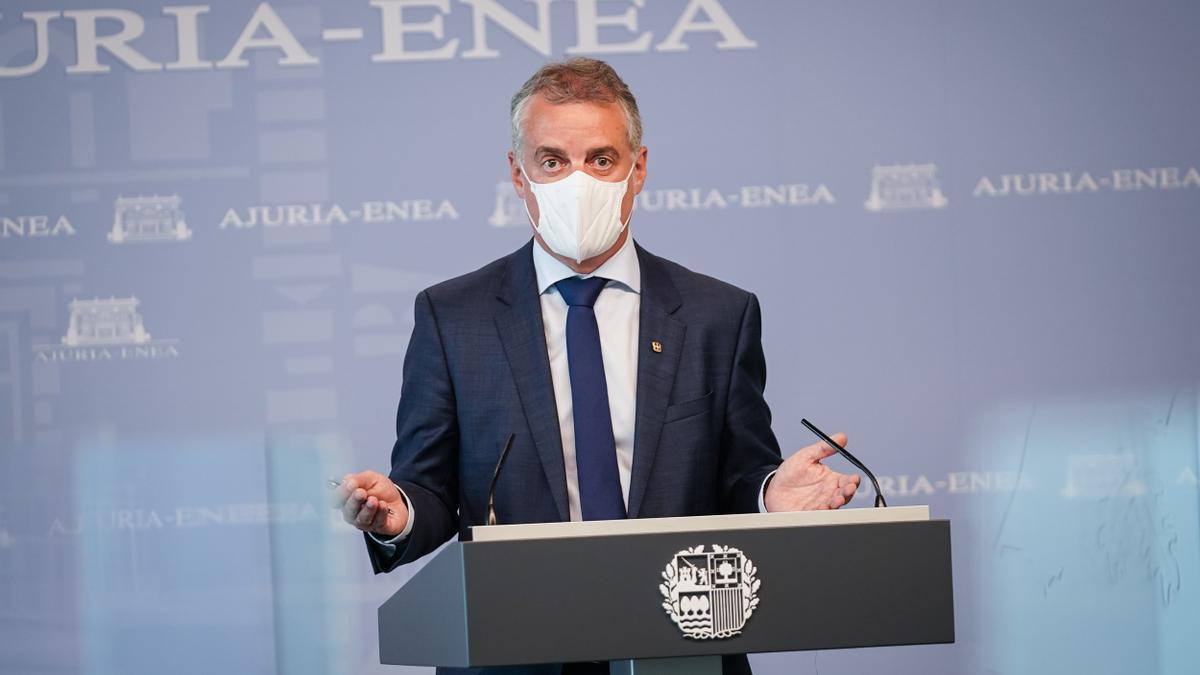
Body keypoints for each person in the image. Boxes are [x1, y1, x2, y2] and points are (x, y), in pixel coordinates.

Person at [333, 57, 861, 675]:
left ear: (638, 170)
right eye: (552, 160)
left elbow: (738, 480)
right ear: (517, 172)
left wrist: (772, 496)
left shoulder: (720, 314)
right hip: (515, 650)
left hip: (682, 646)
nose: (576, 181)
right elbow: (427, 489)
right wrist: (400, 516)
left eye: (601, 160)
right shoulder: (454, 317)